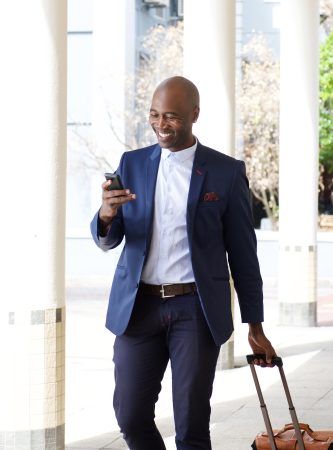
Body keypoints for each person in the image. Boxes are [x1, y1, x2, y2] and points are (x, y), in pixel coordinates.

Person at [90, 76, 276, 450]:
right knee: (130, 415)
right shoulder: (133, 162)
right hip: (138, 307)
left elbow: (243, 254)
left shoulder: (225, 172)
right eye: (155, 115)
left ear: (194, 114)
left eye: (171, 117)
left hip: (195, 309)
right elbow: (109, 238)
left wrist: (254, 325)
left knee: (191, 425)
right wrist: (107, 214)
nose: (161, 125)